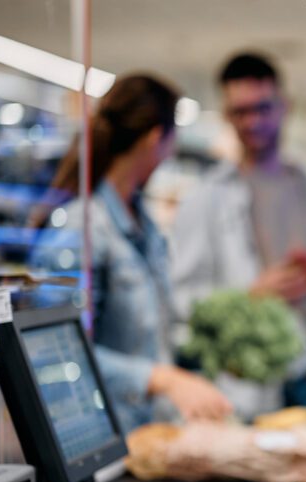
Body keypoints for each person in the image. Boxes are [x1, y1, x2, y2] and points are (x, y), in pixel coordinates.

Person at [33, 74, 232, 432]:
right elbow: (59, 349)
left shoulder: (144, 226)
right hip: (102, 440)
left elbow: (155, 336)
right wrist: (161, 379)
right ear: (157, 138)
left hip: (146, 436)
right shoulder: (83, 228)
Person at [168, 52, 306, 333]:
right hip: (244, 366)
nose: (253, 122)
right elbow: (182, 299)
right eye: (240, 112)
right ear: (226, 115)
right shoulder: (205, 199)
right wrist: (249, 296)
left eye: (263, 108)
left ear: (285, 107)